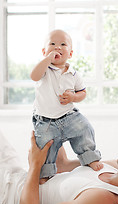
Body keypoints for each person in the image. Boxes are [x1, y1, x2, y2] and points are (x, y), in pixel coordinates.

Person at [30, 29, 103, 181]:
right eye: (52, 44)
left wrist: (73, 97)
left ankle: (89, 156)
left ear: (70, 53)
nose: (57, 47)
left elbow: (83, 93)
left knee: (85, 128)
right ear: (44, 51)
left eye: (63, 44)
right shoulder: (45, 70)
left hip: (69, 117)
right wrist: (47, 60)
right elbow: (34, 75)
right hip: (46, 121)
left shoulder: (74, 74)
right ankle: (45, 173)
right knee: (44, 146)